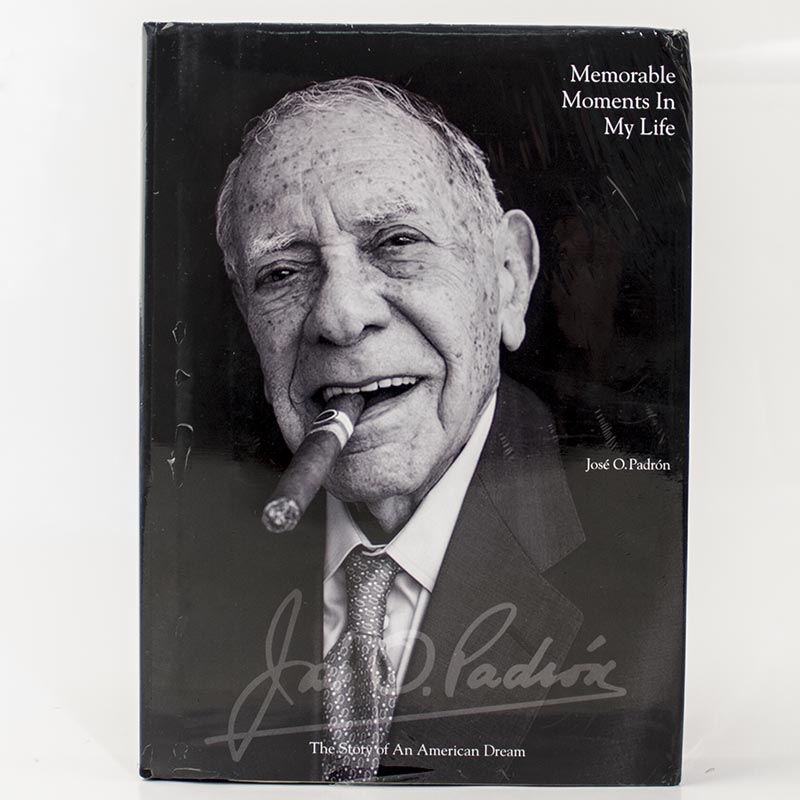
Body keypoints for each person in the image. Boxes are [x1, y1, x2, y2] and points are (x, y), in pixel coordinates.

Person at [199, 77, 675, 784]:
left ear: (508, 278)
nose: (340, 316)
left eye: (396, 241)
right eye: (283, 273)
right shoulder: (190, 569)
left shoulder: (664, 567)